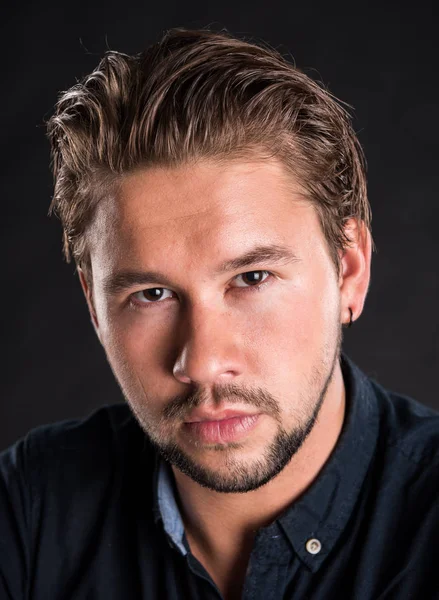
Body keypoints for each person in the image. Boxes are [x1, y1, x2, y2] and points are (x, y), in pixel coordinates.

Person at [1, 27, 438, 600]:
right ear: (94, 304)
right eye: (151, 294)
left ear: (350, 270)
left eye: (251, 279)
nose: (203, 362)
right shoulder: (32, 509)